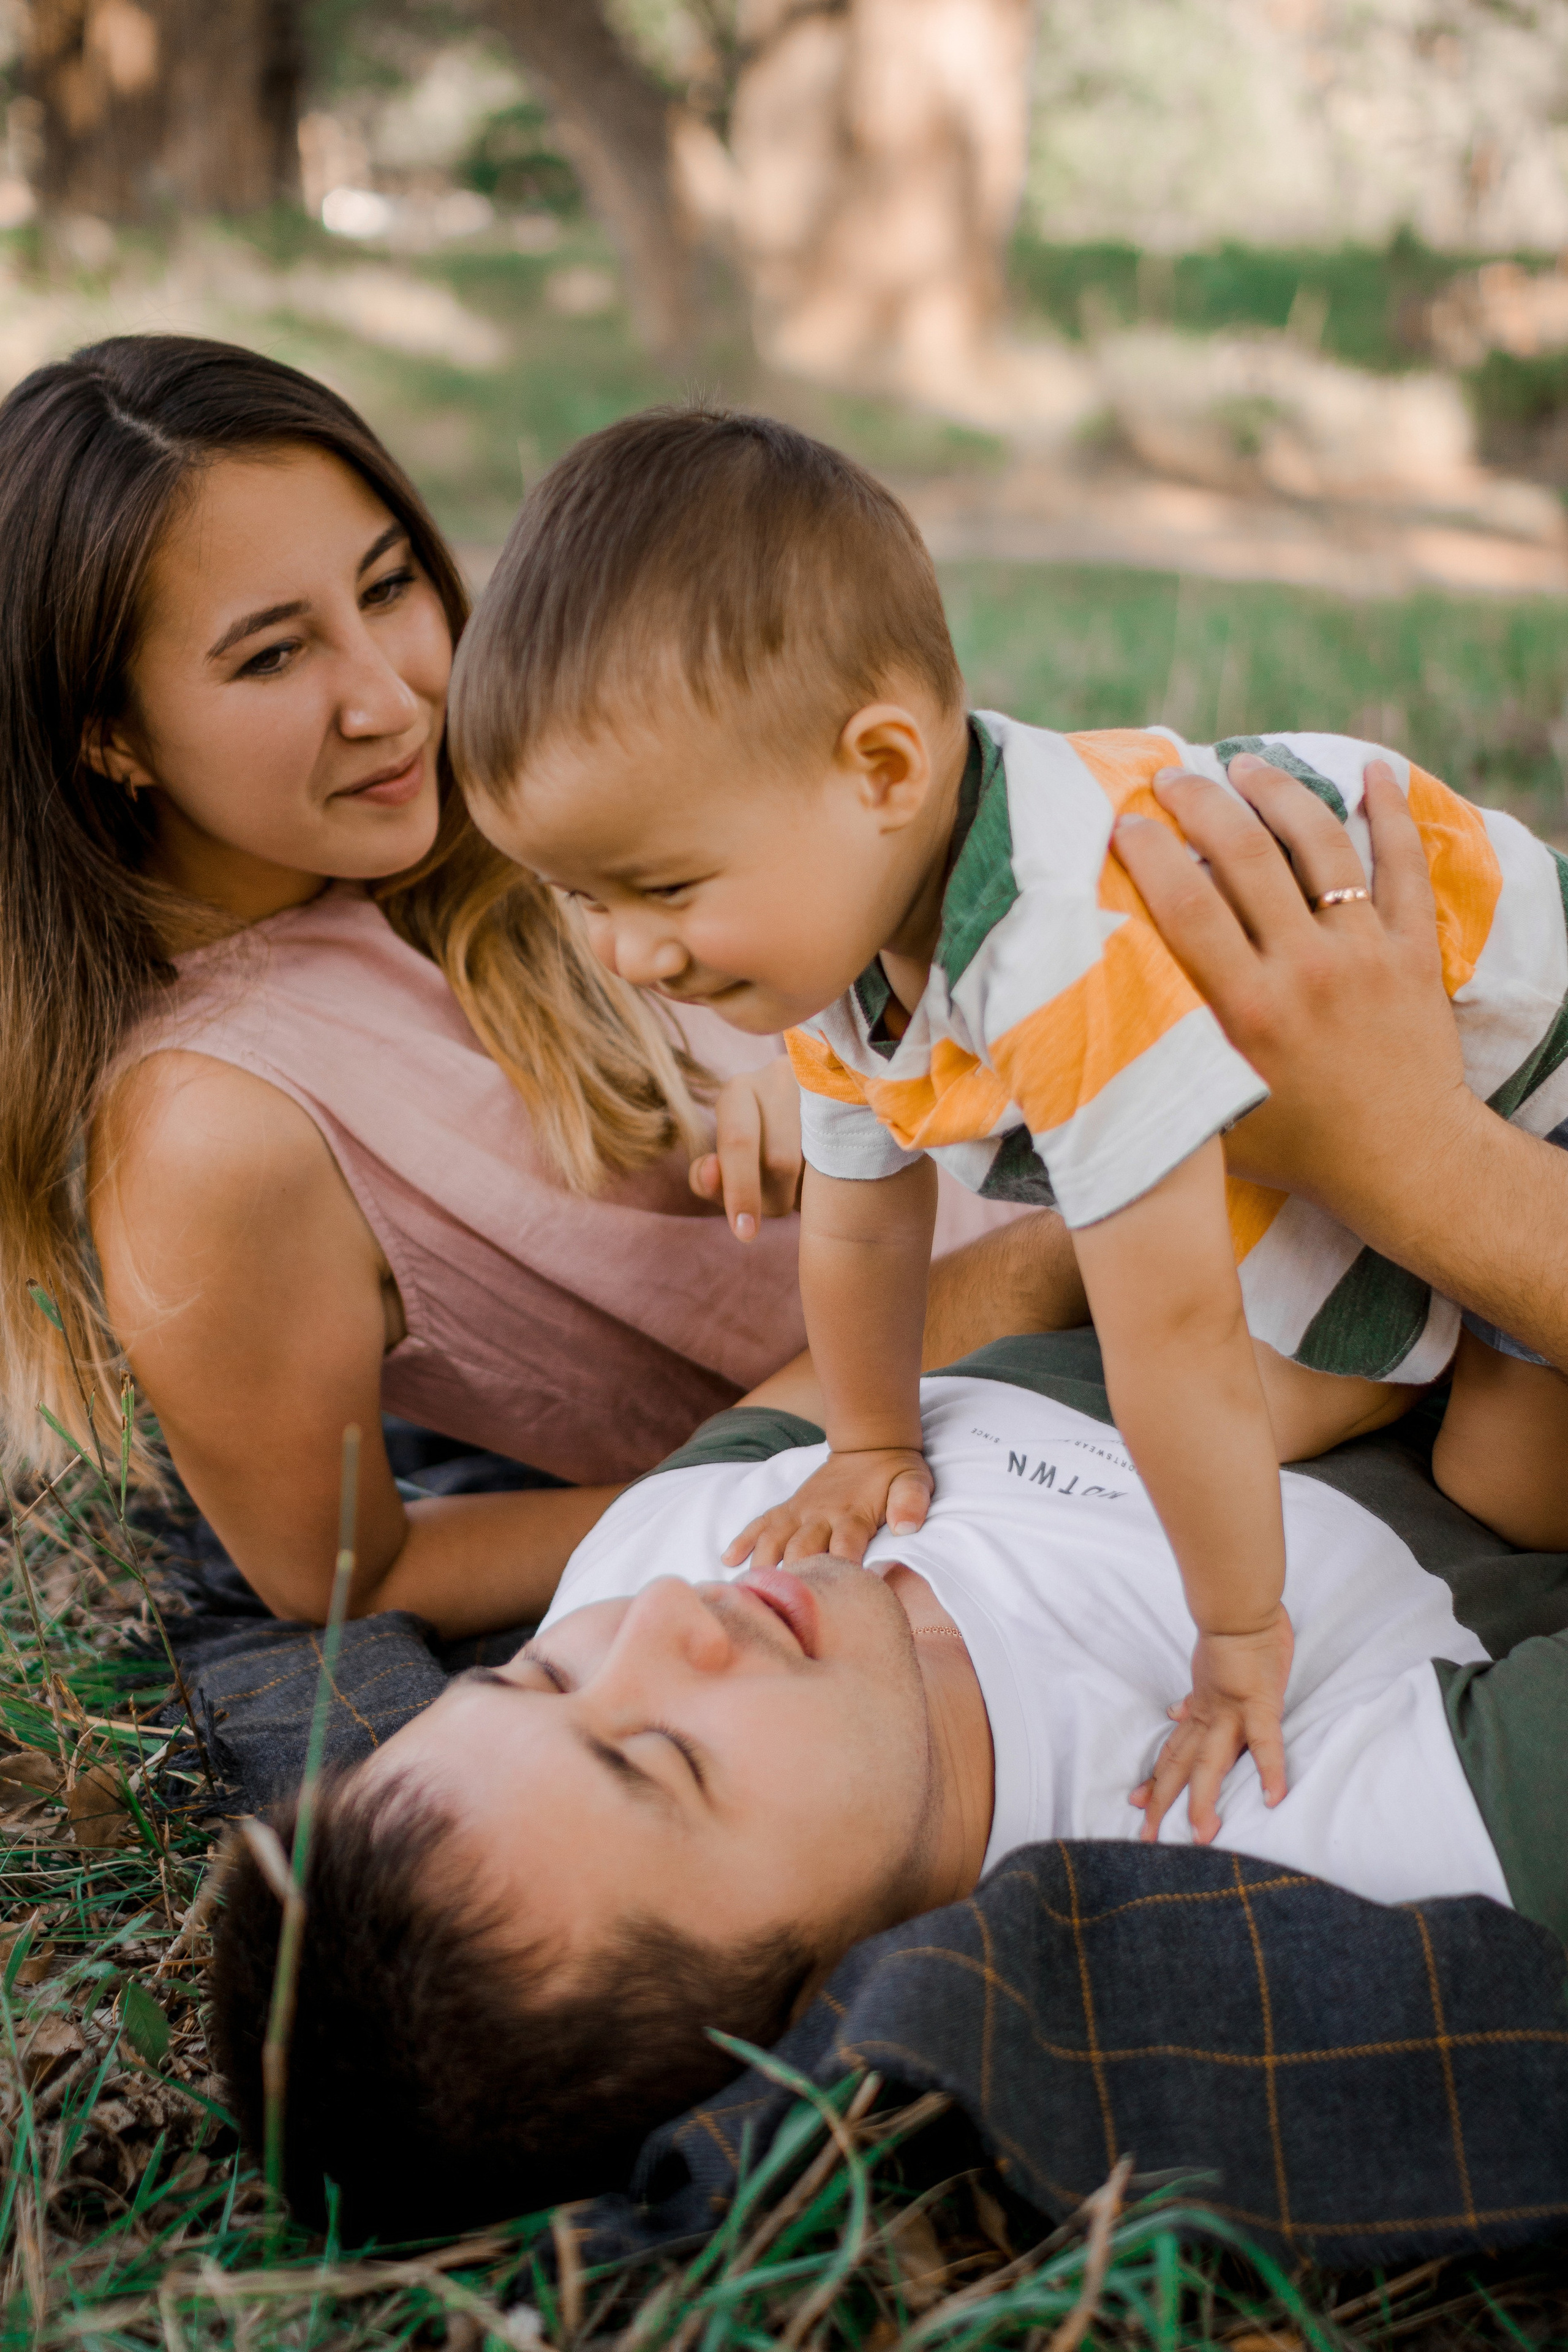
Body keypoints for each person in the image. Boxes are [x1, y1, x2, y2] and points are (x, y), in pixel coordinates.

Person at [443, 404, 1568, 1830]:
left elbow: (1168, 1329)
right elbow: (860, 1221)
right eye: (577, 898)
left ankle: (1467, 1317)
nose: (626, 955)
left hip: (1512, 1044)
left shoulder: (1064, 954)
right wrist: (867, 1445)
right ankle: (1425, 1320)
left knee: (1489, 1488)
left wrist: (1234, 1636)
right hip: (1290, 1070)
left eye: (661, 890)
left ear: (882, 769)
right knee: (1299, 1401)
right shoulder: (840, 906)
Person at [0, 339, 1044, 1632]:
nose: (391, 699)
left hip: (1106, 1177)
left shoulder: (522, 810)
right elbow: (350, 1576)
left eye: (389, 586)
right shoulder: (212, 1128)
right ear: (108, 737)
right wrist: (753, 1477)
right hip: (1033, 1362)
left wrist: (833, 1051)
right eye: (271, 657)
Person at [211, 1319, 1556, 2244]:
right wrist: (1391, 1151)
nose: (668, 1613)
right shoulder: (1287, 1845)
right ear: (811, 2014)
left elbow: (967, 1284)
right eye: (665, 1758)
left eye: (537, 1677)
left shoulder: (638, 1567)